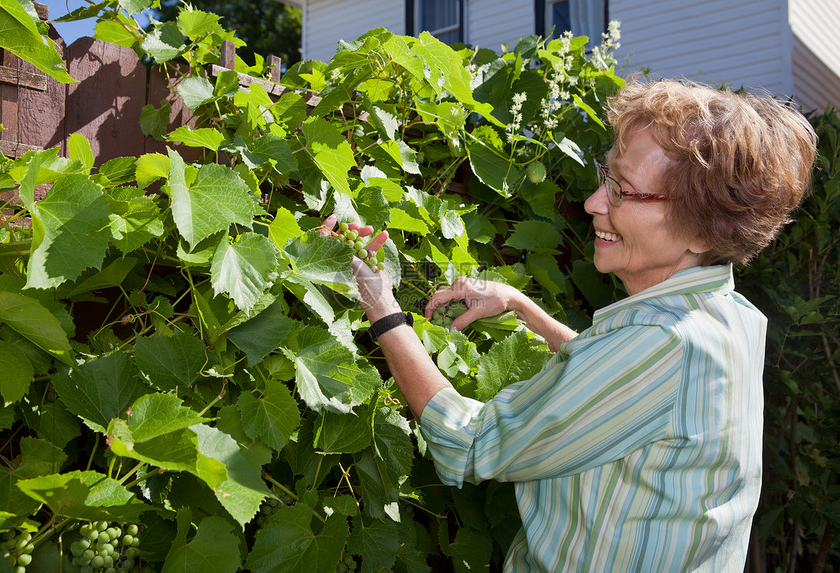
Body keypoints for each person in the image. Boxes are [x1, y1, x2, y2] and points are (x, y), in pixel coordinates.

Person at [321, 78, 817, 572]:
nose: (594, 203)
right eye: (608, 175)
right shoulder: (730, 316)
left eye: (622, 190)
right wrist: (520, 306)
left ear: (700, 226)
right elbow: (620, 392)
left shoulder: (660, 342)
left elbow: (470, 444)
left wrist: (383, 307)